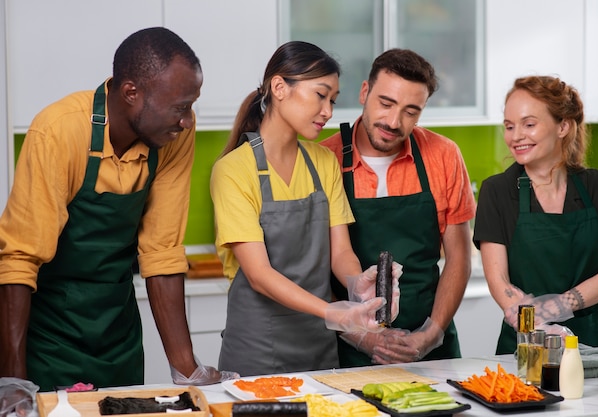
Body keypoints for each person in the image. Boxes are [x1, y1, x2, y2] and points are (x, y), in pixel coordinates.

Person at [0, 27, 236, 392]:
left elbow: (162, 253)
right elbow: (18, 259)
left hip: (118, 333)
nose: (188, 120)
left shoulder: (174, 137)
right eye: (180, 107)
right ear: (131, 93)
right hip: (49, 335)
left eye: (191, 106)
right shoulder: (59, 131)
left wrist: (187, 369)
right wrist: (12, 379)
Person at [210, 41, 402, 377]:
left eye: (333, 100)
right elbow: (260, 276)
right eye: (320, 95)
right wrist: (335, 314)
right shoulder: (233, 170)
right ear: (280, 87)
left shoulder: (323, 162)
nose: (328, 110)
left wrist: (358, 285)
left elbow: (340, 252)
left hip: (319, 348)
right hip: (257, 350)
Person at [320, 48, 476, 366]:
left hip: (431, 347)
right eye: (386, 103)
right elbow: (315, 271)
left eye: (410, 111)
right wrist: (361, 337)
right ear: (365, 91)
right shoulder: (325, 160)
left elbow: (459, 258)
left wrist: (431, 334)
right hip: (347, 348)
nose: (393, 121)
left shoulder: (443, 155)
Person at [473, 75, 598, 354]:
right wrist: (535, 324)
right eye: (509, 126)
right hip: (524, 342)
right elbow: (499, 280)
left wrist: (556, 307)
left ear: (563, 126)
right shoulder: (496, 191)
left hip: (590, 342)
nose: (515, 136)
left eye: (529, 124)